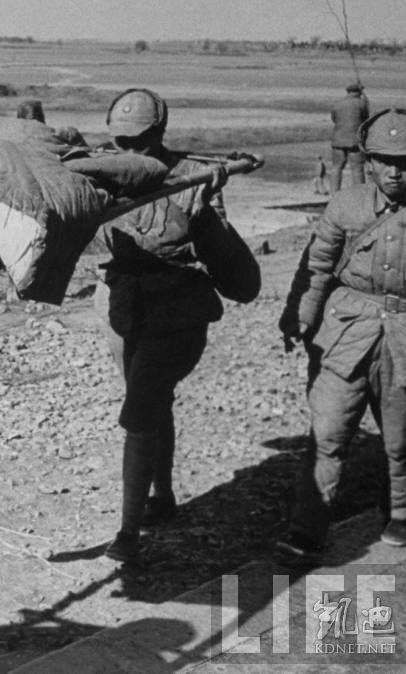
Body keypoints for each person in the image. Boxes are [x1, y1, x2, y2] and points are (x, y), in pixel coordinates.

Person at [95, 88, 255, 563]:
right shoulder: (102, 172)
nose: (129, 151)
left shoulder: (192, 179)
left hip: (177, 312)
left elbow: (225, 260)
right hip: (126, 307)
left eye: (139, 141)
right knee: (151, 402)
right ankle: (162, 496)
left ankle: (128, 532)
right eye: (121, 142)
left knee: (139, 409)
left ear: (160, 133)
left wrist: (204, 207)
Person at [276, 109, 406, 566]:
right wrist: (300, 317)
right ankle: (307, 528)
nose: (395, 172)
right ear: (368, 162)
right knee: (328, 432)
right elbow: (316, 268)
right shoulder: (345, 206)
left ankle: (401, 512)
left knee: (401, 438)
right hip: (346, 335)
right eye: (385, 161)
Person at [329, 82, 370, 192]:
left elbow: (334, 119)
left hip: (338, 141)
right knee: (357, 169)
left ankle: (334, 194)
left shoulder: (337, 104)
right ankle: (359, 194)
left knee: (336, 167)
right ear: (358, 92)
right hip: (355, 142)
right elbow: (366, 119)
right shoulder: (361, 103)